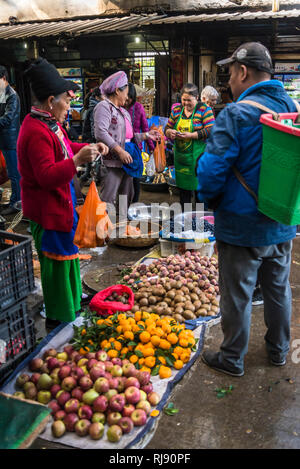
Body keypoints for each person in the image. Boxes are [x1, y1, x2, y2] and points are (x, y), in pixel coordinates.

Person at [196, 42, 298, 377]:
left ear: (243, 71)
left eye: (230, 73)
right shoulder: (290, 106)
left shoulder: (236, 114)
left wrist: (212, 202)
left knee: (237, 295)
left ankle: (232, 358)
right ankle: (279, 351)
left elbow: (211, 171)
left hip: (240, 226)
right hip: (281, 219)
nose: (229, 81)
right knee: (278, 289)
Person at [17, 57, 109, 330]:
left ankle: (70, 306)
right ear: (49, 102)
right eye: (66, 102)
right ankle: (59, 318)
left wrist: (90, 147)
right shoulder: (35, 131)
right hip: (47, 210)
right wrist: (78, 160)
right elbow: (46, 176)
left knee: (68, 257)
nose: (69, 107)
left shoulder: (50, 124)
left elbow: (68, 147)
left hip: (62, 204)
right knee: (56, 264)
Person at [93, 71, 159, 221]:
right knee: (108, 199)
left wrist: (147, 135)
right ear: (117, 91)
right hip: (113, 162)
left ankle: (122, 229)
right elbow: (100, 133)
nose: (128, 98)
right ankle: (104, 233)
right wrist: (119, 151)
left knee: (126, 198)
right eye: (126, 93)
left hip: (127, 161)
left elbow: (128, 137)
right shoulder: (104, 107)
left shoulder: (124, 112)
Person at [165, 83, 215, 210]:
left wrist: (192, 135)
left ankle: (200, 226)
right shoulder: (176, 111)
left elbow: (211, 129)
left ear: (197, 98)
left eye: (189, 100)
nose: (186, 103)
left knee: (200, 196)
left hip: (199, 160)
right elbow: (168, 126)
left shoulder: (204, 110)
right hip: (181, 160)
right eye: (183, 100)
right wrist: (169, 132)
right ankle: (187, 225)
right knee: (184, 195)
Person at [124, 83, 155, 203]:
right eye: (126, 96)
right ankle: (123, 205)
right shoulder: (118, 107)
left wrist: (151, 147)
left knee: (136, 178)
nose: (127, 100)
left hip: (136, 148)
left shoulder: (138, 107)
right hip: (121, 148)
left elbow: (145, 128)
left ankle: (135, 203)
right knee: (125, 179)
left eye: (130, 97)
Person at [0, 65, 21, 215]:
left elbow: (8, 118)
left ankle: (17, 204)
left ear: (4, 78)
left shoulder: (12, 95)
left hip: (11, 140)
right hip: (4, 139)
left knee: (14, 174)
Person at [80, 87, 103, 186]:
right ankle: (77, 191)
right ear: (97, 97)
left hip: (89, 140)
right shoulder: (95, 109)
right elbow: (94, 128)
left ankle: (78, 192)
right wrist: (98, 141)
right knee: (90, 172)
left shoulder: (92, 107)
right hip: (91, 141)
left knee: (90, 170)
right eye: (103, 96)